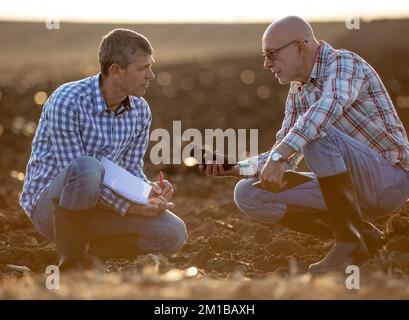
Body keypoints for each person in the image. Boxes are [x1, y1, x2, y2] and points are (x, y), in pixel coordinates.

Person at [200, 16, 409, 274]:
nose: (267, 64)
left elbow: (328, 108)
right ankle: (362, 236)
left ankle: (348, 243)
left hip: (388, 180)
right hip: (344, 190)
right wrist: (235, 168)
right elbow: (284, 149)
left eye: (272, 54)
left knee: (316, 133)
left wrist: (280, 157)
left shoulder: (344, 63)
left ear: (300, 46)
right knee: (248, 193)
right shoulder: (298, 91)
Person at [19, 29, 187, 270]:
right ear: (116, 70)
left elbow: (130, 169)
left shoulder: (140, 110)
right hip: (54, 210)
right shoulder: (67, 100)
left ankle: (91, 254)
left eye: (150, 66)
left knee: (173, 232)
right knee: (88, 166)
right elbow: (77, 173)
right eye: (143, 68)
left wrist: (147, 192)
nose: (151, 75)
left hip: (101, 209)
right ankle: (72, 264)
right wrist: (129, 206)